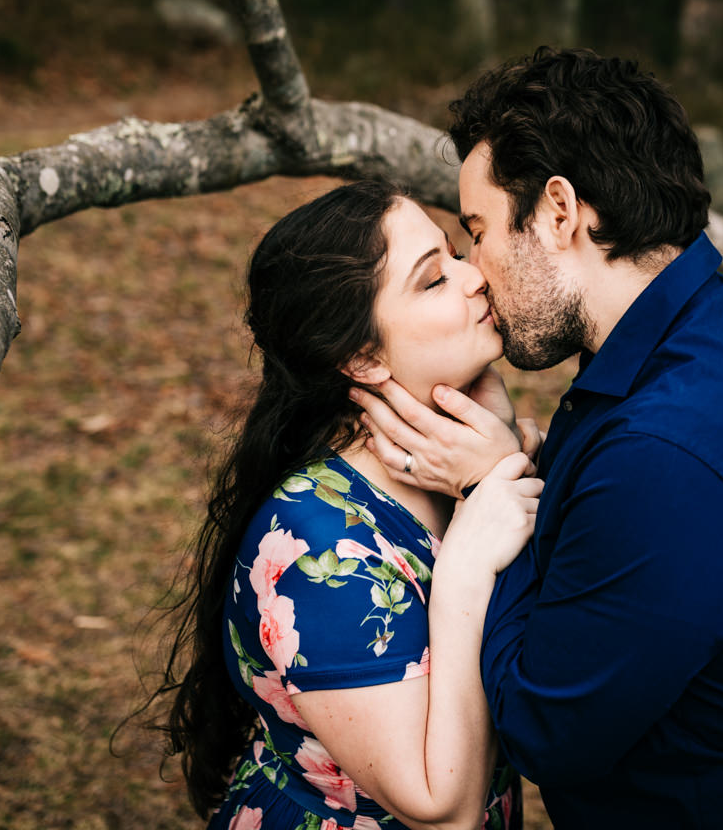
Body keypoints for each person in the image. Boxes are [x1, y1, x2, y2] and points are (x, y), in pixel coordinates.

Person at [351, 48, 723, 828]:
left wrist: (491, 494)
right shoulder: (702, 324)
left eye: (479, 231)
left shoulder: (668, 459)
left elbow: (544, 728)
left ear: (561, 211)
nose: (473, 271)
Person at [146, 179, 542, 830]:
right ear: (360, 357)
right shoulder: (318, 547)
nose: (474, 278)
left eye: (454, 255)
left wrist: (500, 464)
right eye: (433, 280)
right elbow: (443, 811)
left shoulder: (461, 466)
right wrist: (465, 572)